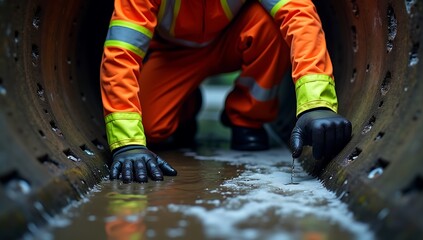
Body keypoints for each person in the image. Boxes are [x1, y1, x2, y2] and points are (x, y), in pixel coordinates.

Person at [100, 0, 352, 184]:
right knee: (150, 128)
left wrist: (317, 103)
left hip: (234, 37)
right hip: (173, 55)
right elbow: (121, 54)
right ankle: (187, 105)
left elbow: (300, 15)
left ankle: (247, 118)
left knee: (269, 24)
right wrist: (128, 144)